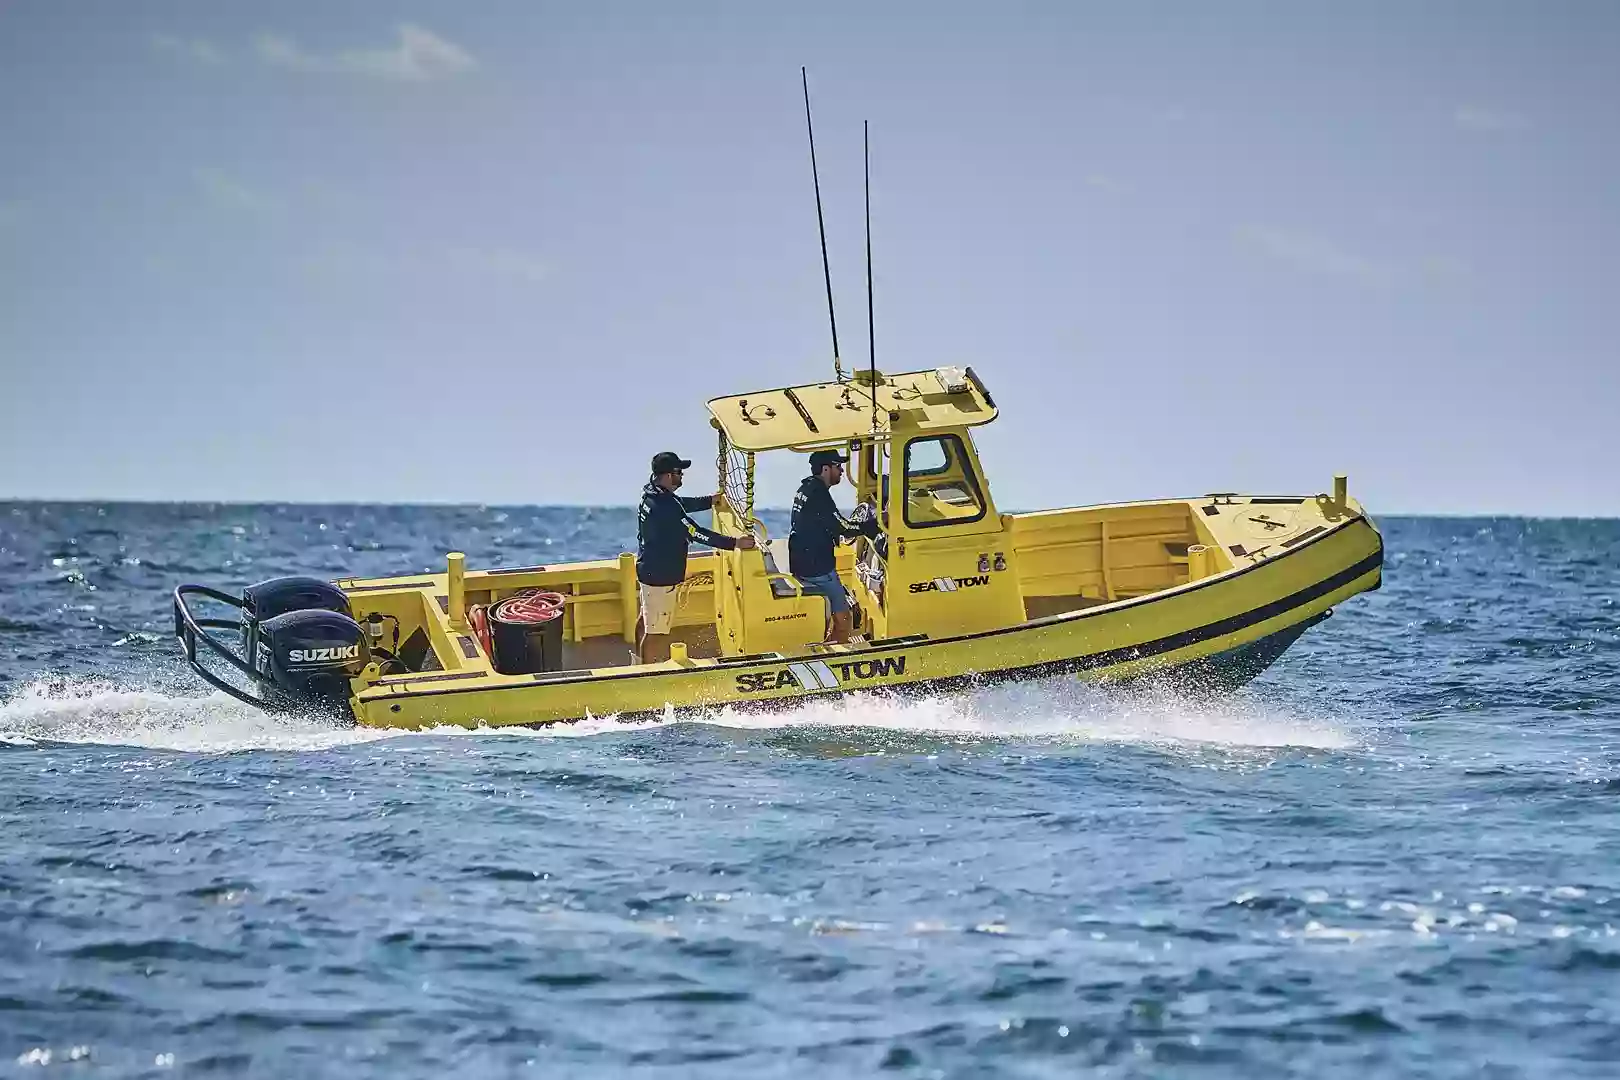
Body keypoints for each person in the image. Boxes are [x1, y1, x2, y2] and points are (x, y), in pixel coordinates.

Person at [636, 451, 754, 663]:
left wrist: (710, 501)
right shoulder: (665, 506)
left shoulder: (651, 494)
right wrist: (735, 543)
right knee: (656, 632)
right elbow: (696, 532)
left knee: (646, 619)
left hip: (647, 568)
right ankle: (646, 674)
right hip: (660, 577)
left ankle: (637, 663)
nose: (682, 476)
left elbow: (681, 505)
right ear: (667, 475)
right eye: (678, 472)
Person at [788, 448, 880, 643]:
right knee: (844, 617)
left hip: (802, 561)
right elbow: (842, 527)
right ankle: (840, 653)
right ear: (825, 469)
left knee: (834, 613)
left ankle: (830, 644)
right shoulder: (819, 494)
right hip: (817, 566)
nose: (841, 471)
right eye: (838, 466)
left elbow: (830, 523)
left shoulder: (805, 489)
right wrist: (874, 526)